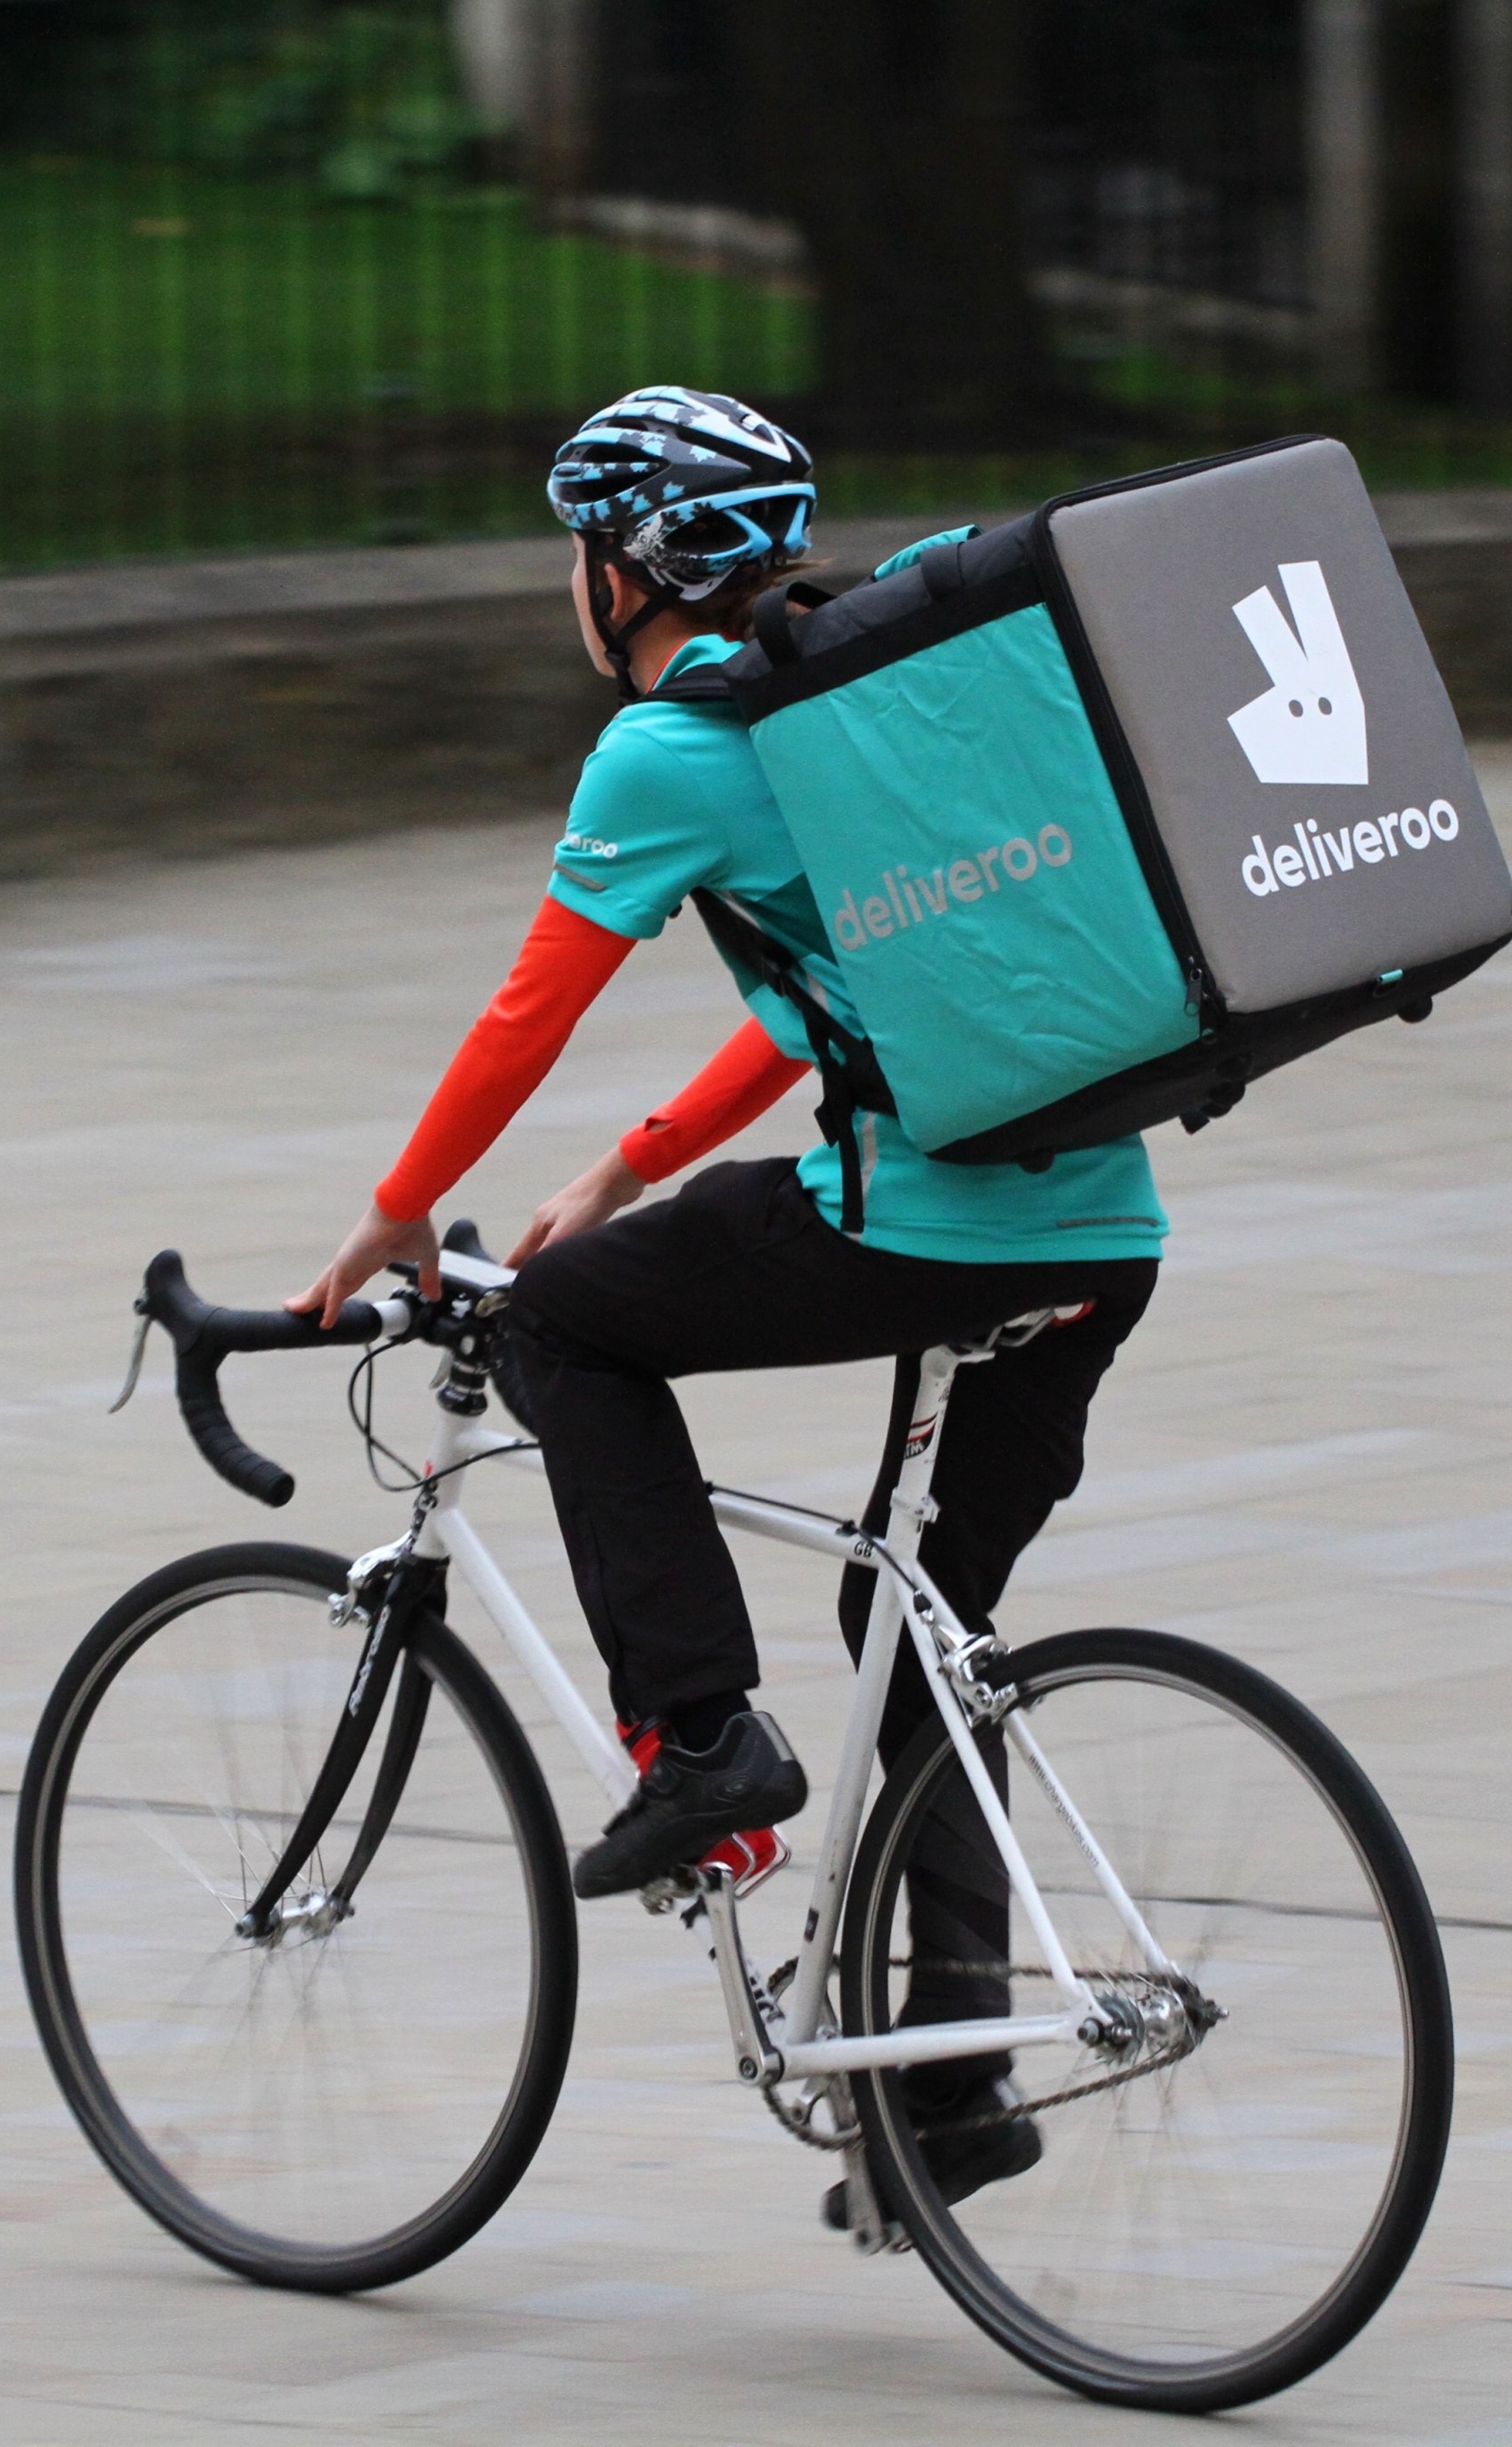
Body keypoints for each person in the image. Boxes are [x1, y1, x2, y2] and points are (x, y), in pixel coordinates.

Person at [286, 387, 1167, 2217]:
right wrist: (629, 1168)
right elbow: (835, 982)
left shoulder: (670, 749)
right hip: (1101, 1231)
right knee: (915, 1623)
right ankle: (956, 2089)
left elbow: (527, 1009)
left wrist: (396, 1212)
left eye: (578, 550)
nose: (571, 582)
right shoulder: (861, 699)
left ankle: (696, 1740)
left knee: (554, 1326)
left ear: (630, 568)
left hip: (920, 1221)